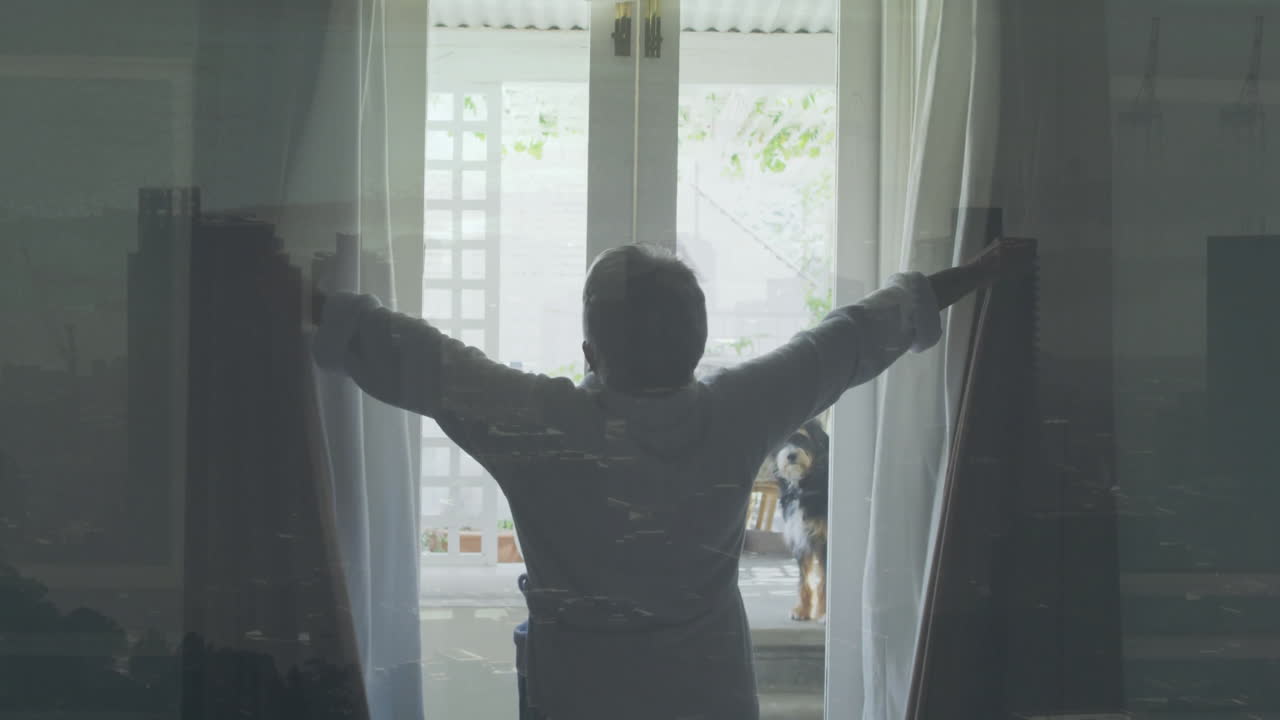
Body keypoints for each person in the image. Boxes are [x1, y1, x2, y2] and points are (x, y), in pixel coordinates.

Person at [311, 238, 1033, 720]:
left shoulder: (537, 423)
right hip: (708, 689)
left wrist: (301, 297)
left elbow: (419, 359)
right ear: (699, 344)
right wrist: (979, 271)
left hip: (580, 692)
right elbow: (853, 337)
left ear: (589, 350)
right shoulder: (743, 407)